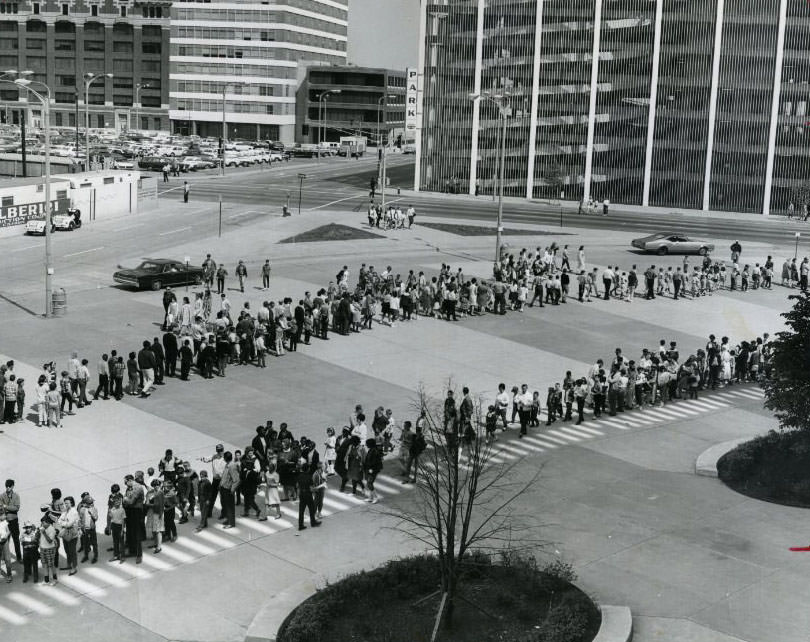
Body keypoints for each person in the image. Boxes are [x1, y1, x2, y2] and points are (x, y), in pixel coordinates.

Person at [296, 458, 321, 531]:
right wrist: (316, 490)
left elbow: (297, 486)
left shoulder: (299, 476)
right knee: (311, 509)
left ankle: (300, 525)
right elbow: (311, 488)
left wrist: (299, 494)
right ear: (307, 469)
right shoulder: (309, 477)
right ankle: (313, 522)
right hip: (308, 494)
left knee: (301, 510)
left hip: (302, 494)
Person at [0, 480, 21, 564]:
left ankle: (19, 557)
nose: (7, 488)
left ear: (12, 486)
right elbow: (0, 508)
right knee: (4, 540)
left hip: (14, 521)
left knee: (16, 540)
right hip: (5, 521)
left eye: (9, 486)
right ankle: (3, 558)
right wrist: (7, 508)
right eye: (6, 486)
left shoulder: (16, 496)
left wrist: (5, 507)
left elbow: (16, 508)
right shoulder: (2, 496)